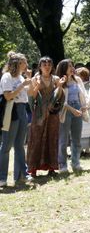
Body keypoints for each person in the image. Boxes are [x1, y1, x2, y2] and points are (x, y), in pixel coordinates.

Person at [27, 56, 64, 177]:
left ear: (52, 66)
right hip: (39, 114)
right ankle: (33, 169)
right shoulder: (35, 78)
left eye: (49, 65)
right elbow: (31, 96)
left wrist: (60, 86)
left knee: (52, 138)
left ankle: (52, 168)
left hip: (53, 114)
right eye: (44, 65)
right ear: (40, 67)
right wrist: (37, 86)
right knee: (36, 139)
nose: (47, 67)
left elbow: (60, 96)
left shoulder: (56, 79)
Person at [0, 52, 33, 187]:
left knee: (20, 145)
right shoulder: (7, 77)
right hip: (11, 110)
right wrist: (22, 84)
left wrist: (29, 80)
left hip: (22, 110)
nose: (26, 65)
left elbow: (30, 93)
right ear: (18, 63)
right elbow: (8, 97)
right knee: (6, 146)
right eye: (24, 62)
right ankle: (2, 178)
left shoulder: (21, 77)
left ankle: (22, 176)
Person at [57, 59, 90, 173]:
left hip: (78, 109)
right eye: (69, 66)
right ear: (63, 68)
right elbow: (60, 100)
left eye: (72, 65)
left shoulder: (78, 80)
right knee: (63, 139)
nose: (72, 68)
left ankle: (76, 163)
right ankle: (62, 165)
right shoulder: (60, 81)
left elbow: (84, 95)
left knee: (77, 139)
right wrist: (73, 109)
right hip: (65, 110)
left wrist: (84, 106)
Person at [76, 67, 90, 158]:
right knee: (80, 130)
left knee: (87, 130)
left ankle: (87, 150)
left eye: (78, 75)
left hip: (87, 110)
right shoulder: (77, 84)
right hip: (79, 108)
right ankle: (81, 150)